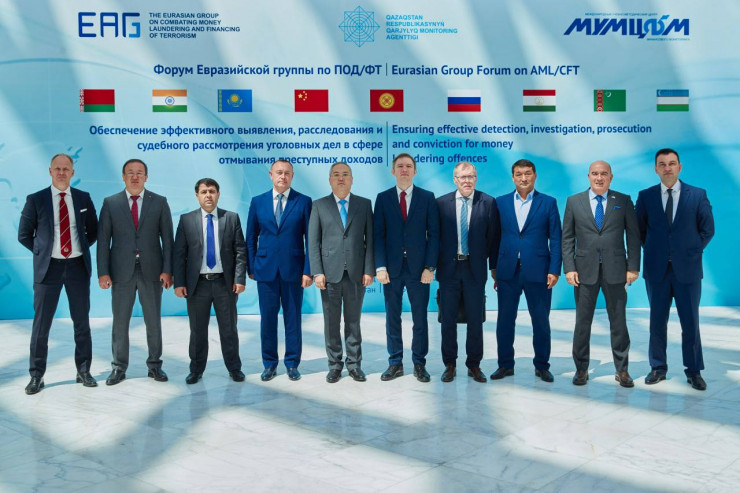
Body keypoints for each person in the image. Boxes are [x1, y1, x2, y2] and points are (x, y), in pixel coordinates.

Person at [18, 154, 98, 394]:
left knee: (82, 323)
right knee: (41, 326)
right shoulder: (36, 199)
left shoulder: (83, 198)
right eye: (57, 169)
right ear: (50, 171)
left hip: (77, 268)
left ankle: (83, 370)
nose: (61, 172)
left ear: (72, 172)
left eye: (66, 169)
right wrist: (43, 253)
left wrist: (75, 250)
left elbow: (93, 231)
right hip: (48, 269)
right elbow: (24, 235)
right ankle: (36, 376)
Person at [635, 148, 714, 390]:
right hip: (657, 271)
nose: (667, 168)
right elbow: (639, 230)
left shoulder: (697, 195)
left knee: (690, 322)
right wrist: (656, 251)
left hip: (687, 270)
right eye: (662, 164)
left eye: (671, 163)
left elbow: (708, 229)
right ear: (656, 169)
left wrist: (691, 251)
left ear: (679, 167)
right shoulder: (646, 196)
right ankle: (658, 367)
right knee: (657, 322)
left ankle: (694, 371)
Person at [562, 160, 640, 387]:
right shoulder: (574, 201)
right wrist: (569, 267)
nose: (599, 178)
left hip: (616, 271)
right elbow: (567, 238)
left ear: (610, 177)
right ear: (588, 176)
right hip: (584, 272)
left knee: (619, 322)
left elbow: (633, 236)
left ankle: (622, 370)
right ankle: (581, 369)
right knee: (582, 323)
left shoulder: (623, 200)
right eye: (595, 173)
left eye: (603, 174)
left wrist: (633, 267)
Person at [97, 158, 174, 385]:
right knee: (120, 322)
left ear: (146, 177)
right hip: (121, 272)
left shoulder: (159, 202)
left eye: (139, 172)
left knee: (153, 321)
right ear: (123, 176)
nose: (135, 176)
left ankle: (155, 366)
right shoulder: (111, 203)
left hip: (152, 271)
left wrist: (168, 270)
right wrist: (103, 272)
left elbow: (168, 240)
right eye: (130, 172)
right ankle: (119, 367)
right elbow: (103, 241)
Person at [492, 159, 561, 382]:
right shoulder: (500, 203)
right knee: (505, 321)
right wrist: (494, 267)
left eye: (528, 173)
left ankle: (542, 366)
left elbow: (556, 239)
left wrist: (554, 270)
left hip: (539, 271)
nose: (524, 178)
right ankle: (505, 365)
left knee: (540, 321)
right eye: (519, 174)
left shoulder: (548, 203)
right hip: (507, 271)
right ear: (513, 177)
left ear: (535, 175)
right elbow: (494, 238)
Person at [174, 178, 247, 384]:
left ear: (218, 194)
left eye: (212, 191)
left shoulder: (231, 218)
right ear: (197, 195)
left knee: (229, 329)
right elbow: (179, 254)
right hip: (197, 285)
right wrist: (179, 283)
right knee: (197, 330)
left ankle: (234, 368)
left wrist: (239, 278)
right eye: (204, 192)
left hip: (225, 284)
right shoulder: (186, 220)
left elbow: (240, 251)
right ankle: (196, 370)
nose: (208, 195)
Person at [373, 153, 439, 382]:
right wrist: (380, 266)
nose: (404, 169)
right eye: (400, 166)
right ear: (393, 171)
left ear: (415, 171)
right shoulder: (383, 198)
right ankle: (395, 363)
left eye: (408, 166)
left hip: (419, 270)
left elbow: (434, 235)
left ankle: (419, 363)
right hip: (391, 270)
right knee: (392, 317)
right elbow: (378, 236)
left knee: (420, 318)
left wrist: (430, 267)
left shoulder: (427, 197)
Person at [246, 159, 312, 381]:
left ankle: (292, 364)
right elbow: (251, 237)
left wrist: (308, 270)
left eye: (287, 173)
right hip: (265, 270)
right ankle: (269, 364)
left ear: (292, 176)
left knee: (293, 319)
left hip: (293, 270)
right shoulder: (258, 202)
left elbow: (310, 239)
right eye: (279, 172)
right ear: (271, 175)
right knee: (267, 320)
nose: (283, 176)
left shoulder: (303, 201)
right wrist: (252, 266)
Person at [308, 163, 374, 383]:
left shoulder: (364, 204)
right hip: (329, 275)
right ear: (330, 180)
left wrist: (368, 269)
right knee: (331, 322)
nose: (341, 178)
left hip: (356, 273)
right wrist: (317, 272)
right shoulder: (319, 205)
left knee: (353, 322)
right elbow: (313, 242)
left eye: (345, 174)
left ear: (352, 179)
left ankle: (354, 365)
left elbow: (370, 240)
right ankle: (335, 365)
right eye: (336, 175)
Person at [437, 162, 500, 383]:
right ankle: (450, 364)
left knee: (475, 320)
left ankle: (474, 364)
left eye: (471, 176)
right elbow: (434, 238)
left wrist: (493, 267)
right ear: (455, 180)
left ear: (476, 178)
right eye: (463, 177)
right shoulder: (441, 203)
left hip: (475, 270)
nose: (467, 181)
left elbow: (493, 239)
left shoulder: (488, 202)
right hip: (448, 270)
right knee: (448, 320)